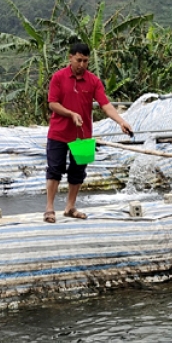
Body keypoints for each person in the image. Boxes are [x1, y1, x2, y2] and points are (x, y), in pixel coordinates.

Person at [44, 42, 132, 223]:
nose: (82, 65)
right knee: (55, 169)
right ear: (70, 58)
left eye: (85, 61)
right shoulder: (58, 77)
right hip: (58, 133)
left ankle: (70, 207)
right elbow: (53, 103)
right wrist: (71, 114)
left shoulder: (93, 81)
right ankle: (49, 208)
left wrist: (121, 121)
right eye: (78, 60)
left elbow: (105, 105)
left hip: (83, 134)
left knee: (78, 172)